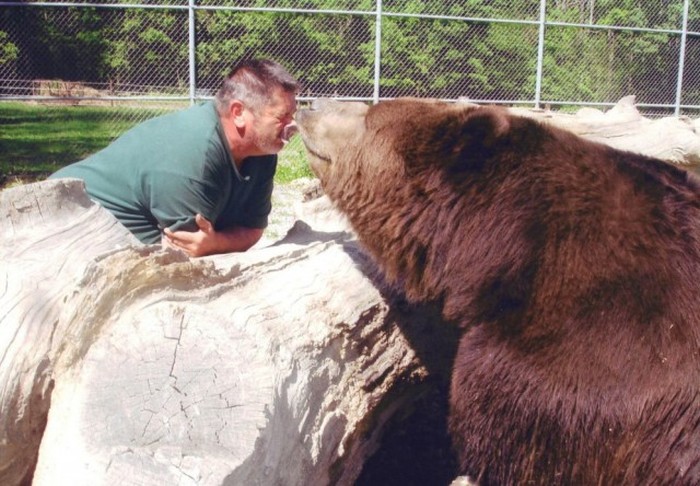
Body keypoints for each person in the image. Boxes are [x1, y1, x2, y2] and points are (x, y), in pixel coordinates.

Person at [50, 59, 299, 257]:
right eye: (282, 117)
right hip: (60, 224)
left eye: (293, 114)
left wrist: (217, 242)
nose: (293, 124)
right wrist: (213, 245)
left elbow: (252, 230)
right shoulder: (197, 153)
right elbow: (184, 254)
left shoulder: (263, 152)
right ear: (238, 113)